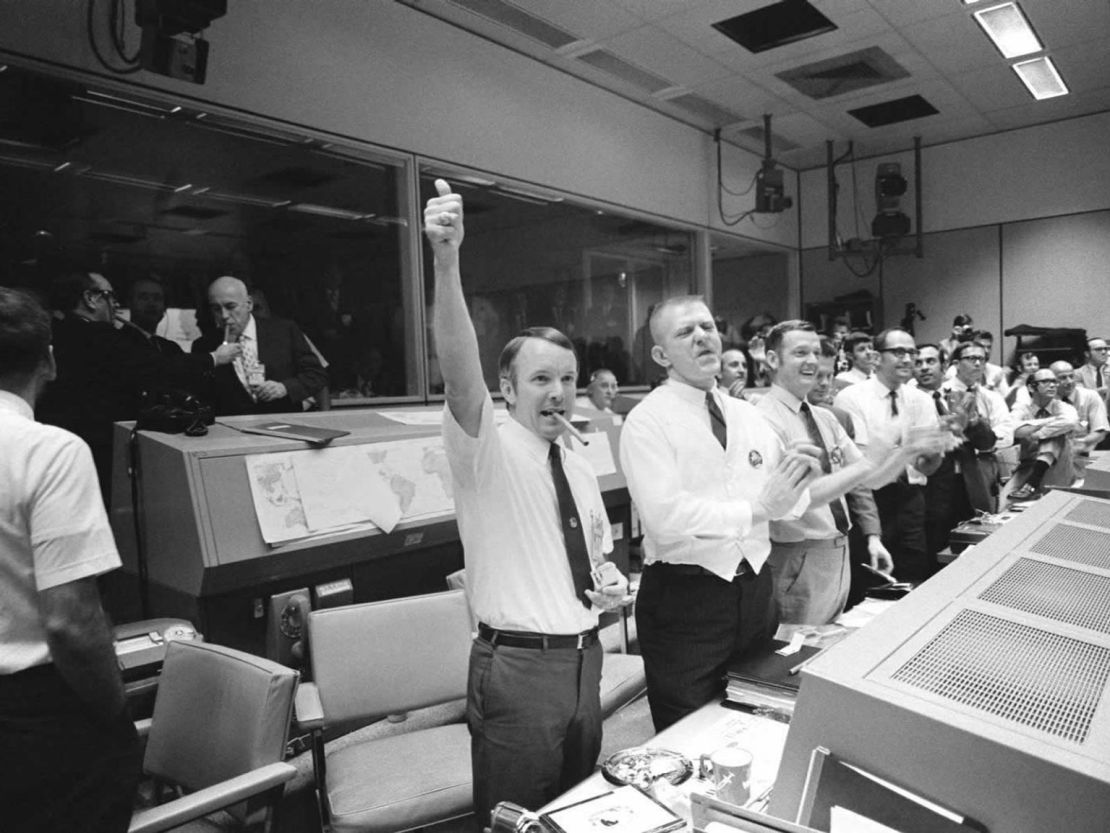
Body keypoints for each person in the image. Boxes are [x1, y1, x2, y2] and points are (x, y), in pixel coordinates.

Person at [424, 180, 628, 824]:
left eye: (567, 379)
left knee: (572, 813)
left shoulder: (577, 460)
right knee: (514, 820)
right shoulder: (485, 446)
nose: (559, 392)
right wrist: (448, 257)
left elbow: (595, 558)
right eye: (541, 379)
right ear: (507, 389)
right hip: (516, 670)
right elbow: (459, 370)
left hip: (584, 659)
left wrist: (612, 584)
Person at [619, 296, 821, 731]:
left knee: (756, 713)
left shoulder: (747, 414)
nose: (702, 337)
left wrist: (800, 478)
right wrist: (758, 509)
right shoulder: (647, 421)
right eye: (684, 332)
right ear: (660, 355)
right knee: (688, 731)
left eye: (707, 326)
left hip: (754, 594)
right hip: (685, 600)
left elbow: (784, 503)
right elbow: (664, 516)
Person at [0, 287, 142, 832]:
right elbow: (71, 622)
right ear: (49, 360)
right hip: (39, 719)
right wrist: (113, 713)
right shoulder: (52, 453)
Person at [757, 321, 927, 625]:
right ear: (772, 360)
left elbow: (869, 479)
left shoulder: (824, 418)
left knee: (824, 643)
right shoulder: (763, 420)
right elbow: (796, 501)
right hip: (798, 554)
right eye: (800, 352)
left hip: (838, 549)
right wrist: (868, 462)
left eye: (815, 352)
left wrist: (907, 450)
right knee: (794, 651)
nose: (811, 360)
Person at [37, 271, 238, 506]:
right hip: (99, 446)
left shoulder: (59, 332)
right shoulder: (99, 335)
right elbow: (154, 367)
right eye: (109, 296)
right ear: (90, 299)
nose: (115, 303)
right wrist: (214, 357)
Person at [834, 328, 948, 583]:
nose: (908, 359)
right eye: (898, 352)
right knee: (872, 580)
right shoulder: (851, 398)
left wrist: (937, 451)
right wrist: (907, 450)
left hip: (911, 499)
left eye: (911, 352)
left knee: (913, 574)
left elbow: (926, 467)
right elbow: (863, 467)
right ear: (876, 357)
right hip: (870, 501)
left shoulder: (921, 400)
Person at [810, 337, 892, 613]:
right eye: (816, 375)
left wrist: (872, 534)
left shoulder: (838, 418)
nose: (824, 383)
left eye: (829, 375)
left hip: (844, 536)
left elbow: (858, 483)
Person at [192, 276, 328, 415]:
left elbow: (316, 375)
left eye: (230, 306)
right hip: (233, 428)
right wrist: (215, 360)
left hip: (284, 424)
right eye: (216, 309)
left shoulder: (284, 331)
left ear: (249, 304)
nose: (224, 315)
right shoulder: (204, 346)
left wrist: (285, 388)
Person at [930, 341, 1015, 551]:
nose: (978, 363)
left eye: (982, 359)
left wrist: (981, 438)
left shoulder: (991, 397)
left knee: (980, 530)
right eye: (971, 358)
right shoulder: (938, 394)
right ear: (956, 363)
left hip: (982, 471)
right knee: (945, 534)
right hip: (947, 475)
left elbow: (1006, 436)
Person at [1007, 368, 1081, 501]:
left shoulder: (1063, 407)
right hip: (1028, 465)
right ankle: (1032, 482)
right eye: (1045, 381)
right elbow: (1011, 428)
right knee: (1004, 503)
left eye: (1054, 381)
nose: (1052, 385)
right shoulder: (1022, 409)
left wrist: (1035, 433)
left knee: (1055, 434)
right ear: (1031, 387)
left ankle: (1033, 482)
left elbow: (1070, 421)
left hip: (1060, 468)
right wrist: (1050, 420)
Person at [1050, 360, 1108, 481]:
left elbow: (1101, 430)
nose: (1069, 382)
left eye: (1071, 376)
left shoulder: (1090, 396)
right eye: (1063, 378)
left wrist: (1081, 443)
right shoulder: (1045, 400)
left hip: (1086, 455)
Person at [119, 276, 184, 355]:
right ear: (129, 303)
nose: (151, 304)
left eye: (157, 298)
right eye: (144, 298)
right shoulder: (116, 342)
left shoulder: (172, 349)